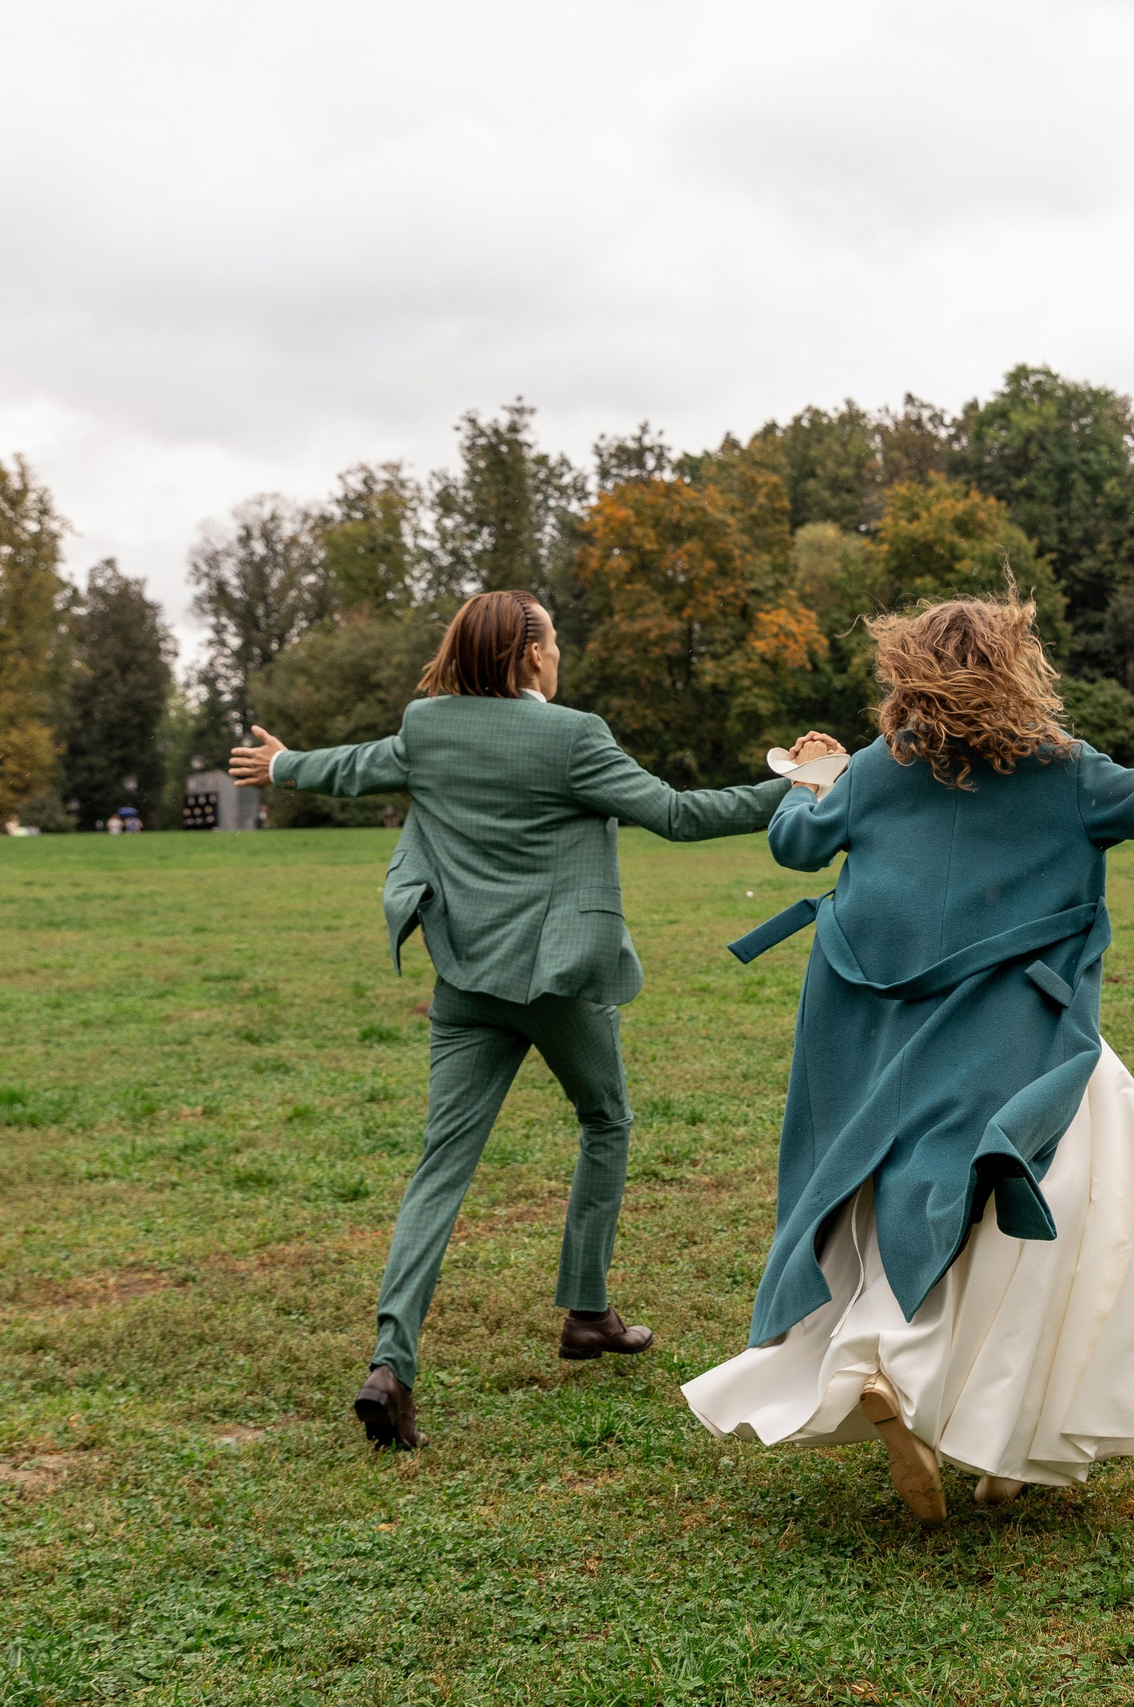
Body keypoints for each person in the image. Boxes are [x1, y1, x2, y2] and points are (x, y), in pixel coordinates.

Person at [682, 594, 1134, 1519]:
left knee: (904, 1194)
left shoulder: (877, 772)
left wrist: (817, 770)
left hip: (882, 1036)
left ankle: (894, 1369)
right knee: (1072, 1205)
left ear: (907, 674)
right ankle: (995, 1423)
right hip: (1021, 1038)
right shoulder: (1065, 773)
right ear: (1018, 668)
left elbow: (793, 844)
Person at [229, 589, 821, 1452]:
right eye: (555, 640)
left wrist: (283, 765)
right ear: (531, 655)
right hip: (555, 981)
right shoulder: (572, 735)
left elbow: (359, 766)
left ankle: (391, 1361)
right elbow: (679, 814)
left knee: (441, 1166)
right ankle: (586, 1312)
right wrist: (799, 783)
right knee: (605, 1118)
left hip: (466, 980)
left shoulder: (429, 724)